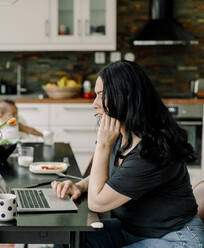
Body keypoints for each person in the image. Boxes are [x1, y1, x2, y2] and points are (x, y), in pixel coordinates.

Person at [51, 60, 204, 247]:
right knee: (65, 240)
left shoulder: (151, 152)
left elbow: (97, 203)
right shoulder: (123, 133)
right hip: (132, 232)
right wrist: (80, 186)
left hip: (176, 239)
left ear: (123, 96)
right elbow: (114, 178)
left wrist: (102, 145)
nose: (94, 104)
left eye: (101, 95)